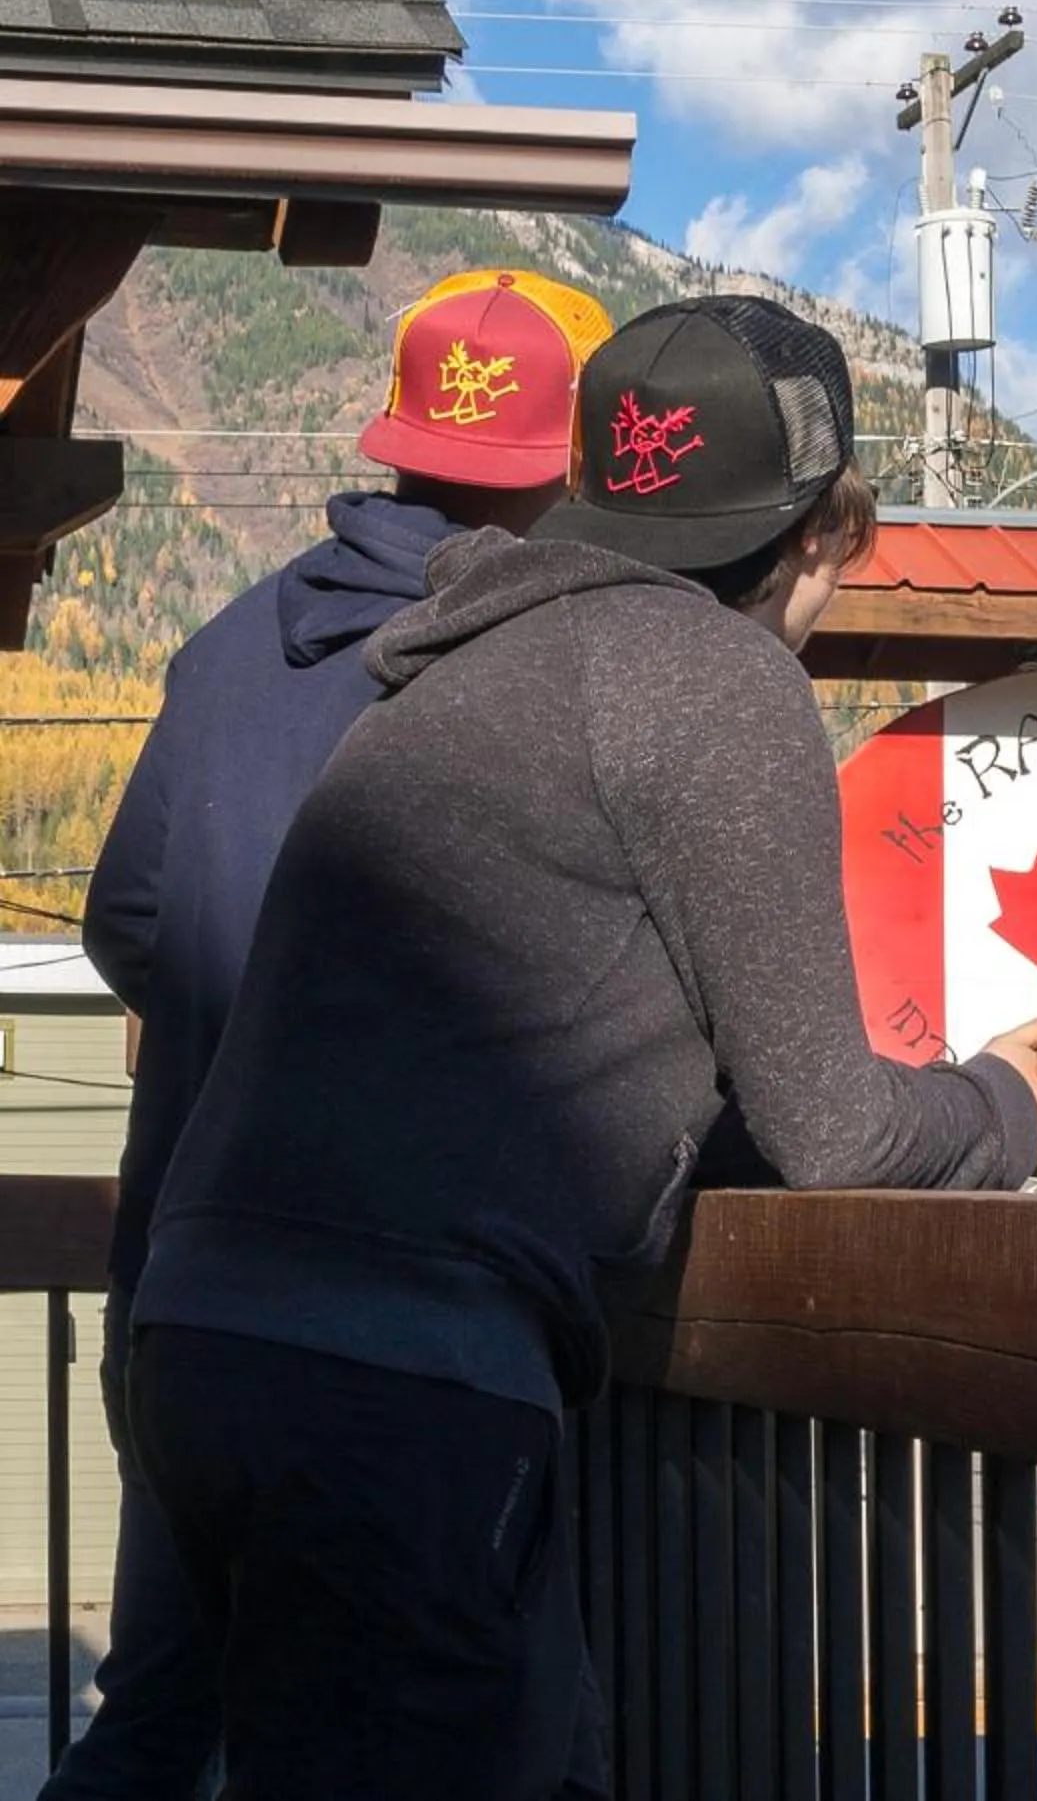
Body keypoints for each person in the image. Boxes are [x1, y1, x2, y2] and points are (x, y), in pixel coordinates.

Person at [126, 294, 1037, 1800]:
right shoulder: (715, 681)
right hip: (401, 1389)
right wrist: (1010, 1107)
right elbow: (829, 1126)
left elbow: (629, 1071)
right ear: (822, 528)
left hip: (208, 1334)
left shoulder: (460, 664)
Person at [50, 267, 614, 1801]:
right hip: (411, 1331)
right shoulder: (531, 666)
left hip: (184, 1288)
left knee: (156, 1717)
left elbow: (128, 920)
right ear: (557, 474)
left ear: (392, 441)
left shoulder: (233, 645)